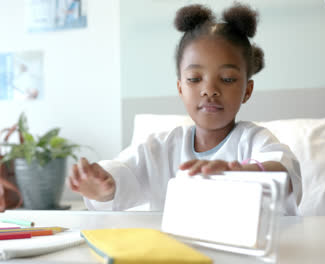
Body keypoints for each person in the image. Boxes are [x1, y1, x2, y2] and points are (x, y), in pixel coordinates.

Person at [68, 3, 302, 213]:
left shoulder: (252, 140)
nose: (209, 90)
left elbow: (285, 171)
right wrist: (104, 187)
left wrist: (239, 174)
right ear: (180, 88)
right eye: (194, 79)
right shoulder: (159, 148)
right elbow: (125, 173)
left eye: (228, 79)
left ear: (247, 91)